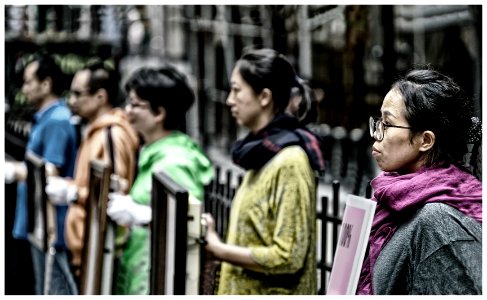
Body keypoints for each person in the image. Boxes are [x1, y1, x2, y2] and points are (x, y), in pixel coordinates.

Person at [202, 48, 325, 295]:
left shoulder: (290, 161)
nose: (229, 99)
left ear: (264, 97)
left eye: (237, 90)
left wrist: (219, 249)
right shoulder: (262, 156)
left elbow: (288, 256)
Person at [357, 67, 482, 295]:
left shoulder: (440, 222)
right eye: (378, 122)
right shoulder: (395, 198)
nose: (376, 134)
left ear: (425, 140)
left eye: (387, 124)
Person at [106, 65, 214, 294]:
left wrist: (142, 215)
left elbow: (192, 223)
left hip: (156, 280)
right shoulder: (156, 154)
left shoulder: (174, 160)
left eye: (136, 104)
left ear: (159, 113)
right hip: (145, 274)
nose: (127, 110)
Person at [44, 61, 140, 288]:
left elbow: (114, 194)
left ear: (100, 96)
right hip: (85, 249)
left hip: (97, 253)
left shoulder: (111, 134)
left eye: (78, 94)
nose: (72, 101)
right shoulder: (97, 130)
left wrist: (73, 194)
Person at [4, 54, 79, 294]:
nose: (24, 89)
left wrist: (13, 170)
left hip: (50, 228)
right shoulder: (47, 118)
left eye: (28, 82)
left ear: (45, 84)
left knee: (53, 289)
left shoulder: (57, 121)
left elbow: (50, 171)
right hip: (39, 224)